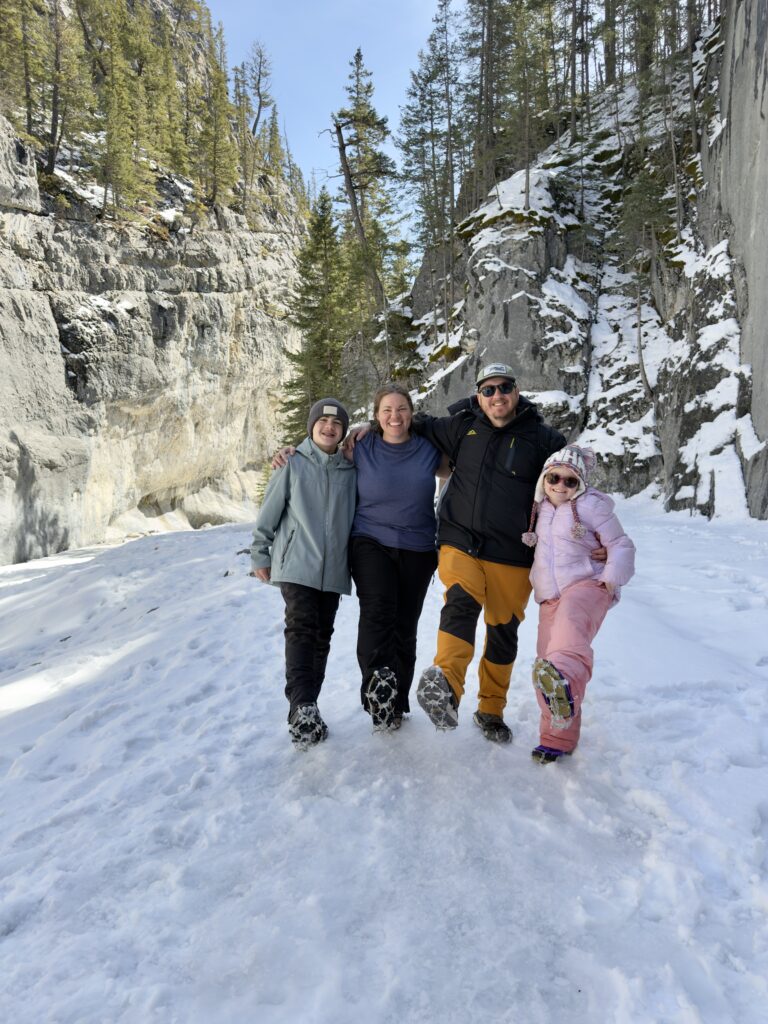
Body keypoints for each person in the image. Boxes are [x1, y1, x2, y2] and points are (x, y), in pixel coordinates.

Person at [251, 398, 356, 750]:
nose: (329, 428)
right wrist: (259, 553)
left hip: (334, 568)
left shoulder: (348, 468)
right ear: (311, 426)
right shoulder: (292, 462)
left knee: (322, 637)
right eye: (323, 423)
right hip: (297, 563)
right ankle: (300, 707)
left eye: (337, 425)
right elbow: (269, 512)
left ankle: (308, 708)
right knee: (300, 629)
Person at [521, 444, 635, 763]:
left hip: (588, 584)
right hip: (550, 596)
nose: (560, 485)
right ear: (544, 479)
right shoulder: (539, 508)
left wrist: (610, 577)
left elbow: (621, 544)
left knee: (568, 638)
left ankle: (565, 687)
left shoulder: (592, 507)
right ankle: (557, 737)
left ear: (581, 484)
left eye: (570, 481)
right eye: (554, 477)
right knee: (546, 660)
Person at [348, 384, 447, 731]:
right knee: (378, 611)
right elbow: (322, 451)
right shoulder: (360, 446)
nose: (395, 416)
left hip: (418, 547)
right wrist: (289, 453)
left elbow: (465, 467)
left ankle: (397, 700)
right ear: (376, 416)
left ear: (412, 413)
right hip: (369, 540)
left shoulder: (429, 450)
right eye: (387, 410)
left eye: (402, 408)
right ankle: (377, 687)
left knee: (405, 624)